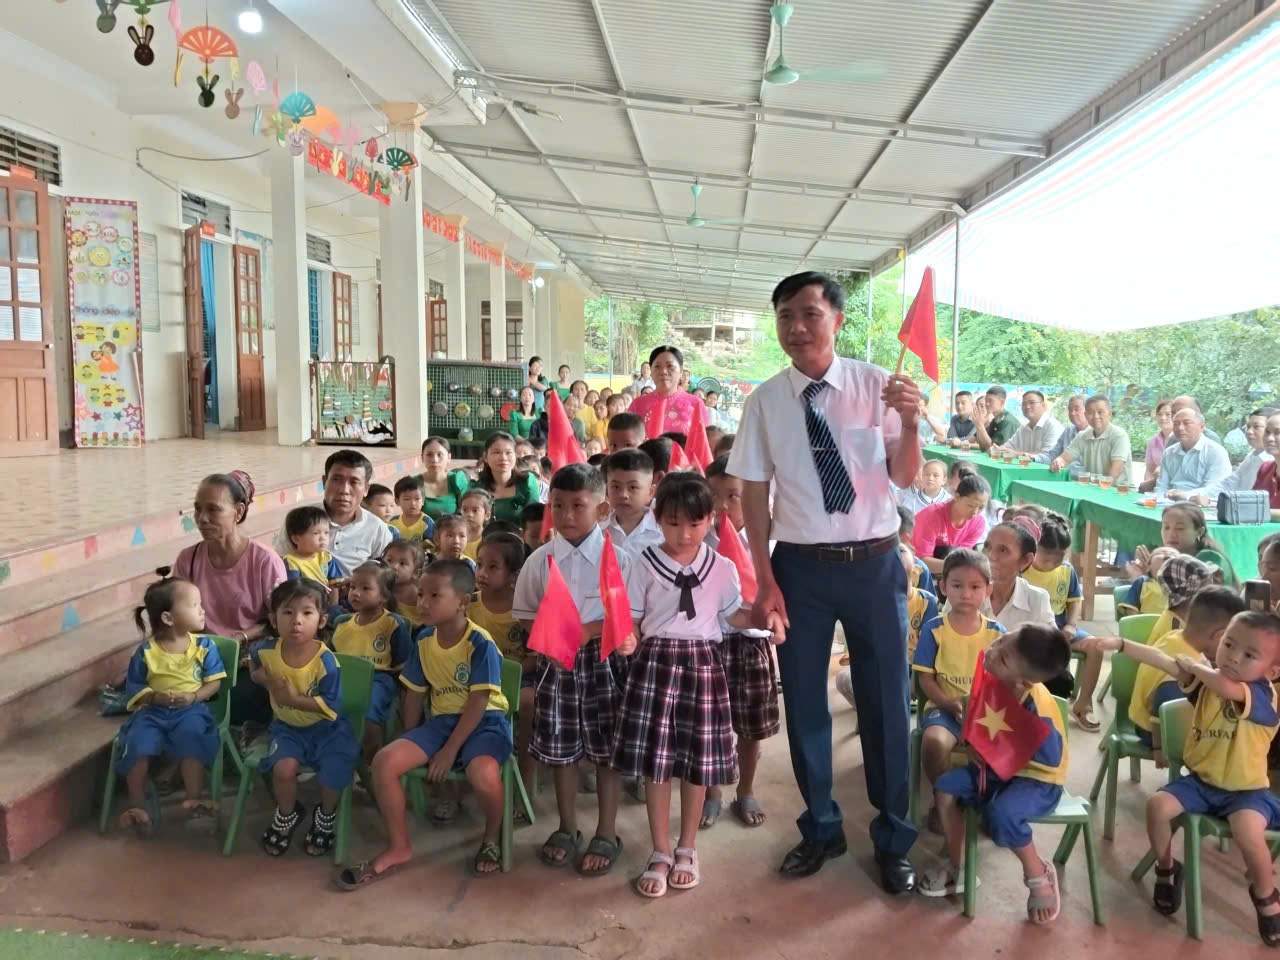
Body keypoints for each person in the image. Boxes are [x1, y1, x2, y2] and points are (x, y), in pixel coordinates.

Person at [728, 270, 924, 891]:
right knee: (806, 702)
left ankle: (893, 839)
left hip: (874, 564)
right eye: (785, 315)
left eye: (810, 313)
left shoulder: (877, 387)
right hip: (801, 570)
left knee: (887, 702)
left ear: (836, 320)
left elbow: (903, 476)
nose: (797, 326)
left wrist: (912, 425)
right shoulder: (765, 402)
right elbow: (753, 494)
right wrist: (764, 577)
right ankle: (822, 827)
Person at [614, 473, 773, 897]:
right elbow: (630, 619)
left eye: (695, 523)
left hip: (704, 666)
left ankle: (687, 847)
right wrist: (628, 636)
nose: (684, 534)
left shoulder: (721, 568)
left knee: (697, 763)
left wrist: (762, 616)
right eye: (673, 523)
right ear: (657, 518)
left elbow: (732, 617)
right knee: (658, 762)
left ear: (712, 519)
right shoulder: (643, 562)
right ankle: (660, 851)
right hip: (655, 666)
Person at [1095, 611, 1280, 945]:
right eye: (1229, 644)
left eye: (1249, 655)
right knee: (1157, 806)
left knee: (1248, 832)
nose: (1234, 657)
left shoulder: (1262, 695)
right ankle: (1167, 868)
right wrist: (1122, 644)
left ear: (1272, 671)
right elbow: (1163, 660)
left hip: (1246, 793)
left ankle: (1266, 897)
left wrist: (1195, 666)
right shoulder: (1205, 679)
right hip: (1200, 783)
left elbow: (1224, 685)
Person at [339, 559, 514, 885]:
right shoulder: (423, 641)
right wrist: (411, 737)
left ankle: (491, 837)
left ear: (462, 601)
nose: (422, 603)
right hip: (442, 721)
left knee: (482, 773)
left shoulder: (480, 643)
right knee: (385, 761)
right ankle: (399, 846)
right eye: (420, 594)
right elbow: (415, 695)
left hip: (485, 721)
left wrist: (448, 751)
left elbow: (478, 701)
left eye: (434, 596)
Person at [514, 463, 631, 876]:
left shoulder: (621, 559)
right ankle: (567, 827)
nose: (565, 515)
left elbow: (633, 616)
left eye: (577, 506)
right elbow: (525, 612)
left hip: (606, 663)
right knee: (561, 751)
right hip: (557, 663)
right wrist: (551, 635)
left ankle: (606, 830)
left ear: (601, 510)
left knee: (607, 751)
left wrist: (589, 630)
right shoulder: (541, 560)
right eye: (557, 505)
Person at [919, 624, 1072, 924]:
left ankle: (1036, 872)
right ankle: (959, 865)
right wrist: (976, 740)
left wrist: (1007, 742)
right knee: (945, 787)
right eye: (1001, 641)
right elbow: (977, 714)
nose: (992, 652)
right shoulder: (993, 678)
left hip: (1037, 779)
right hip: (996, 770)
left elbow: (1051, 758)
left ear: (1024, 682)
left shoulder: (1036, 709)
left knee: (1001, 815)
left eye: (1003, 658)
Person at [701, 457, 783, 829]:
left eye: (732, 496)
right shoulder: (699, 540)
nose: (722, 506)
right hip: (711, 644)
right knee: (710, 723)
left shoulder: (770, 539)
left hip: (752, 644)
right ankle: (712, 792)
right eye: (713, 497)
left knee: (751, 725)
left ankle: (745, 790)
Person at [251, 579, 359, 858]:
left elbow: (332, 706)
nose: (296, 621)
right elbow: (254, 666)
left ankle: (325, 814)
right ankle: (287, 813)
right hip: (287, 728)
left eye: (307, 613)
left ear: (321, 620)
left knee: (333, 771)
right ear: (274, 619)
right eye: (287, 613)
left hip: (329, 729)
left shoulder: (326, 661)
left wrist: (291, 699)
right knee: (283, 770)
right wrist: (263, 678)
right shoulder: (265, 650)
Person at [115, 575, 226, 834]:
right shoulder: (147, 652)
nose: (202, 610)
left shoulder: (204, 647)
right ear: (168, 618)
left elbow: (214, 684)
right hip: (152, 713)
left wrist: (194, 697)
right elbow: (136, 687)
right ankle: (138, 807)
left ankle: (195, 799)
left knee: (192, 738)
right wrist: (154, 696)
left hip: (191, 711)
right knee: (137, 743)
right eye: (194, 605)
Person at [912, 549, 1003, 832]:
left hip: (987, 712)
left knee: (1005, 745)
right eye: (957, 585)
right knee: (934, 742)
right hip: (944, 708)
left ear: (988, 590)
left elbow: (1004, 681)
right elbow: (925, 681)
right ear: (943, 587)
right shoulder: (934, 629)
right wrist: (949, 703)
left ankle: (991, 804)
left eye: (975, 587)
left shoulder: (997, 633)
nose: (966, 594)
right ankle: (943, 802)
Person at [1124, 585, 1244, 760]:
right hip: (1153, 730)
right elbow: (1162, 699)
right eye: (1231, 643)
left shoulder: (1174, 636)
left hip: (1139, 717)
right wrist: (1159, 748)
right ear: (1220, 636)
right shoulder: (1187, 663)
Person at [176, 471, 285, 644]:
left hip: (253, 655)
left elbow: (282, 619)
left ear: (238, 512)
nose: (202, 518)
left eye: (213, 509)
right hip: (202, 654)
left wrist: (240, 638)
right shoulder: (187, 559)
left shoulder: (264, 561)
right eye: (198, 509)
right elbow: (177, 616)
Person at [1022, 514, 1103, 730]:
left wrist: (1071, 625)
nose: (1053, 563)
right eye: (1046, 557)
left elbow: (1074, 601)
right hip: (1032, 631)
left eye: (1059, 557)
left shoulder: (1067, 570)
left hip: (1060, 629)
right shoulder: (1022, 569)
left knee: (1096, 646)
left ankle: (1083, 705)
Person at [468, 533, 534, 785]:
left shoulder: (524, 610)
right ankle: (453, 787)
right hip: (476, 679)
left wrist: (505, 672)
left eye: (493, 567)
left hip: (517, 677)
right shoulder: (469, 605)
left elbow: (536, 657)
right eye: (479, 564)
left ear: (514, 576)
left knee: (529, 702)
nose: (482, 572)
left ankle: (525, 777)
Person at [329, 562, 411, 763]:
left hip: (378, 679)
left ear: (383, 596)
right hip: (344, 678)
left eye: (365, 588)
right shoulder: (342, 625)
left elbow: (403, 663)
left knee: (367, 717)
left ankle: (373, 761)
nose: (356, 593)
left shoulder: (392, 624)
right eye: (353, 587)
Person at [273, 451, 392, 574]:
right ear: (324, 482)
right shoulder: (300, 519)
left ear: (366, 489)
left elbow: (385, 577)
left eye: (354, 482)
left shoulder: (377, 529)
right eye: (337, 480)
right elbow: (278, 567)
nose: (344, 490)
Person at [982, 520, 1057, 636]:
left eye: (1003, 550)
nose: (990, 556)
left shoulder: (1037, 600)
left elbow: (1052, 648)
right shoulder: (963, 589)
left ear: (1025, 560)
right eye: (987, 546)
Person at [911, 473, 991, 574]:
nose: (975, 512)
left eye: (981, 507)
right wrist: (959, 567)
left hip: (947, 569)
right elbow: (921, 561)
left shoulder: (978, 523)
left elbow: (961, 557)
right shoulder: (931, 516)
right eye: (970, 505)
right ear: (956, 497)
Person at [1156, 406, 1232, 503]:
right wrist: (1159, 501)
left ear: (1202, 426)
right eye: (1176, 424)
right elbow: (1161, 486)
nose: (1180, 428)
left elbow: (1215, 489)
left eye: (1187, 423)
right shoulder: (1169, 452)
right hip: (1169, 504)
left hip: (1200, 507)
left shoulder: (1216, 452)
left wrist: (1186, 496)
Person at [628, 346, 705, 439]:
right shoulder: (637, 405)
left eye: (670, 366)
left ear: (681, 371)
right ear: (651, 371)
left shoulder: (695, 404)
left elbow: (702, 445)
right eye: (657, 366)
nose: (663, 371)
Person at [1049, 395, 1130, 481]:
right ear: (1086, 415)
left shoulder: (1119, 435)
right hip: (1093, 487)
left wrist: (1100, 487)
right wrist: (1058, 462)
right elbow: (1064, 458)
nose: (1095, 416)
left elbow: (1116, 470)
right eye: (1090, 413)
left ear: (1110, 413)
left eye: (1100, 412)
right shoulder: (1082, 436)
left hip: (1119, 491)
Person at [600, 448, 663, 557]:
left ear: (651, 492)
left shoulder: (662, 532)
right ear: (607, 489)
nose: (623, 495)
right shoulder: (598, 530)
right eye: (615, 487)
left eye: (633, 487)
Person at [475, 432, 542, 525]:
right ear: (485, 457)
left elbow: (535, 521)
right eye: (496, 452)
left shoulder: (527, 482)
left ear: (515, 456)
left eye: (508, 452)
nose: (503, 457)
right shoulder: (476, 487)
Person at [281, 506, 344, 595]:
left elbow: (334, 586)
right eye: (316, 533)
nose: (323, 538)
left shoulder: (326, 557)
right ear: (296, 539)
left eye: (326, 532)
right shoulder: (291, 562)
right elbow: (294, 591)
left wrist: (333, 606)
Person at [993, 390, 1063, 460]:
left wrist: (1016, 454)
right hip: (1025, 468)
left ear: (1043, 405)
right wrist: (997, 450)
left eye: (1032, 403)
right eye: (1024, 404)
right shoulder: (1023, 428)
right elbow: (1007, 447)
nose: (1027, 406)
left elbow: (1048, 457)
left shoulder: (1053, 426)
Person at [420, 437, 472, 522]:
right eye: (429, 454)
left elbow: (467, 512)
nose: (434, 460)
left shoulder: (457, 480)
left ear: (449, 457)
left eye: (440, 455)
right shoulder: (415, 484)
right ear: (422, 457)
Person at [383, 540, 427, 630]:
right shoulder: (378, 588)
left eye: (402, 563)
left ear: (415, 573)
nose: (394, 566)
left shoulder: (420, 595)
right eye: (389, 560)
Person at [1141, 399, 1176, 492]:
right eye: (1159, 414)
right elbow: (1149, 470)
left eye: (1168, 414)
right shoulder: (1152, 442)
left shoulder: (1181, 440)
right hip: (1156, 486)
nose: (1163, 418)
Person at [1040, 395, 1087, 465]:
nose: (1072, 413)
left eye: (1076, 409)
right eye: (1070, 410)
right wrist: (1033, 458)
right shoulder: (1068, 431)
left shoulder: (1094, 433)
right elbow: (1052, 456)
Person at [388, 475, 435, 544]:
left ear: (423, 501)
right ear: (397, 501)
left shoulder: (427, 523)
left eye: (417, 499)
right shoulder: (393, 522)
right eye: (407, 499)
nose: (412, 503)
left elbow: (431, 547)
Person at [972, 386, 1021, 451]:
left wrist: (980, 425)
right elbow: (983, 447)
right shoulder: (995, 420)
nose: (987, 404)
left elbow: (994, 449)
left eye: (990, 401)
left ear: (1002, 402)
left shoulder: (1008, 421)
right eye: (986, 400)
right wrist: (978, 425)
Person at [1252, 411, 1280, 514]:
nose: (1269, 438)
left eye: (1278, 432)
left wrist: (1262, 513)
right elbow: (1252, 504)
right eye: (1267, 432)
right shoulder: (1265, 468)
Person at [459, 489, 493, 560]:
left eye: (475, 510)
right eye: (465, 510)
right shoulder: (456, 538)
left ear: (487, 515)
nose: (469, 515)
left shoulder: (488, 542)